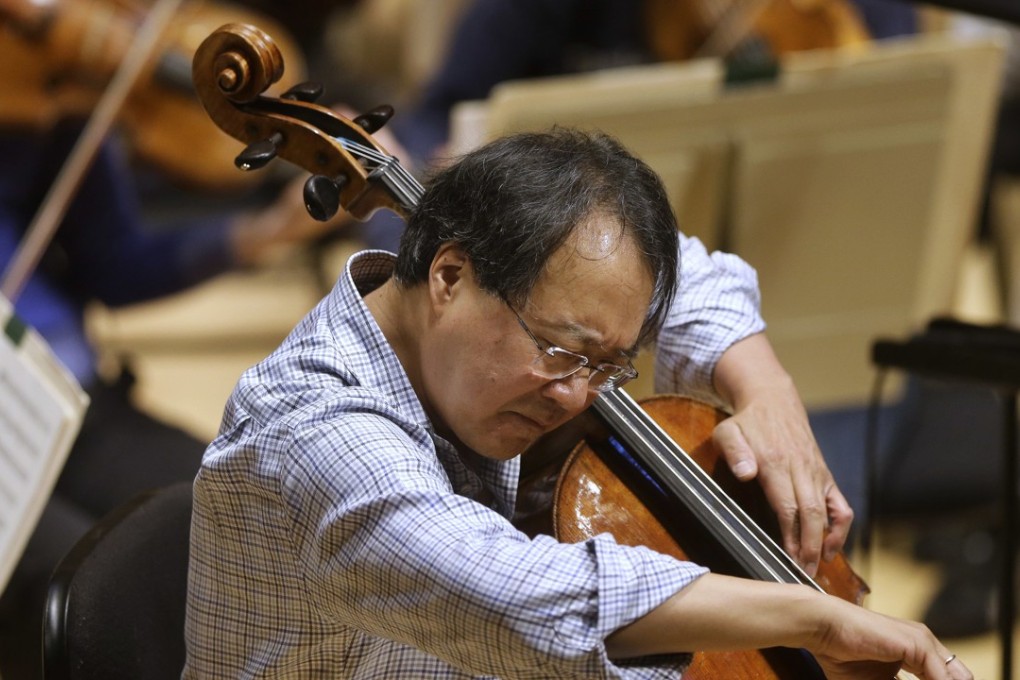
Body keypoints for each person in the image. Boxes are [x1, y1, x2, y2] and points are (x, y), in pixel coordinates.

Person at [184, 128, 970, 678]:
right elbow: (515, 593)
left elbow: (681, 274)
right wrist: (817, 619)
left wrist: (765, 390)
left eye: (608, 366)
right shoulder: (315, 429)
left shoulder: (514, 308)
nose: (574, 395)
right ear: (450, 278)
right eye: (559, 351)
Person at [0, 117, 351, 678]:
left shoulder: (50, 100)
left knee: (250, 516)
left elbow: (113, 263)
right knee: (84, 602)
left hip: (72, 397)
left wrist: (263, 231)